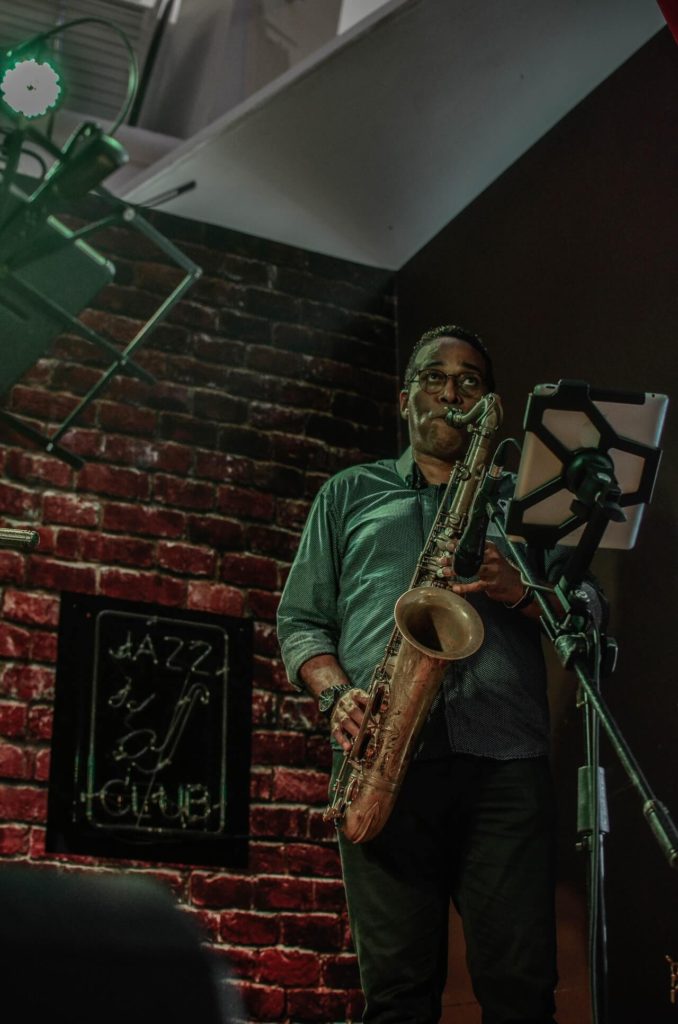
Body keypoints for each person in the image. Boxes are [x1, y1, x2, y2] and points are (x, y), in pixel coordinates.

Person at [278, 325, 595, 1024]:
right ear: (404, 399)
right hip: (383, 755)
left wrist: (522, 590)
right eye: (433, 377)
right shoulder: (347, 494)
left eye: (470, 381)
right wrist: (336, 699)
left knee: (521, 990)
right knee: (396, 997)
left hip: (504, 765)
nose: (451, 391)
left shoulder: (525, 499)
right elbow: (301, 623)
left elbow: (587, 611)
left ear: (487, 407)